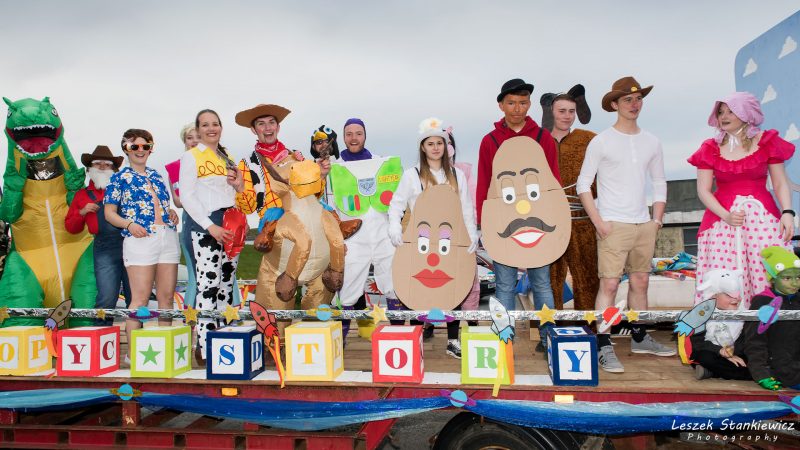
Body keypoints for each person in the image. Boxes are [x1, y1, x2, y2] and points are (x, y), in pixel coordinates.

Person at [576, 76, 674, 374]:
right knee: (608, 284)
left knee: (641, 282)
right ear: (615, 105)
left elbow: (659, 181)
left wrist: (657, 219)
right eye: (627, 99)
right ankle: (603, 343)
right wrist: (599, 222)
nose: (634, 104)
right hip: (613, 223)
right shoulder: (601, 141)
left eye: (638, 98)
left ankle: (640, 336)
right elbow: (583, 184)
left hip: (644, 223)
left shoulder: (652, 141)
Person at [688, 92, 795, 306]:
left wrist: (787, 212)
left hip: (762, 219)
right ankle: (725, 326)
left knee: (765, 271)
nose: (724, 116)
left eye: (731, 111)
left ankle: (767, 322)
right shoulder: (710, 147)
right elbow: (703, 190)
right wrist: (726, 216)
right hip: (722, 221)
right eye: (721, 112)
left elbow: (780, 183)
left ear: (746, 113)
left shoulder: (766, 142)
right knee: (724, 277)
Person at [475, 78, 560, 350]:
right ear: (501, 105)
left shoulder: (543, 138)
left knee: (542, 283)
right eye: (511, 103)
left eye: (522, 103)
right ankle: (504, 340)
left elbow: (553, 181)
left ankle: (549, 338)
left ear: (529, 104)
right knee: (504, 284)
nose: (517, 108)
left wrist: (556, 217)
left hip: (539, 223)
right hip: (504, 223)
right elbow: (484, 183)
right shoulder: (490, 141)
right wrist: (483, 223)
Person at [388, 118, 479, 358]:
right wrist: (394, 228)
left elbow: (466, 208)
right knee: (415, 290)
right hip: (421, 242)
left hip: (450, 241)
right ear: (423, 147)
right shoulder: (412, 175)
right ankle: (416, 338)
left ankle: (452, 340)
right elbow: (396, 205)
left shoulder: (457, 175)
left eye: (439, 143)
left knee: (453, 288)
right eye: (430, 143)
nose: (436, 147)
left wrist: (471, 234)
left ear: (445, 146)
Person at [103, 129, 180, 361]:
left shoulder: (156, 176)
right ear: (125, 149)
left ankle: (165, 351)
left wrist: (171, 212)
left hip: (167, 236)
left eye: (145, 146)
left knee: (167, 298)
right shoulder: (119, 178)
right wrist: (129, 224)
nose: (140, 150)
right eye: (134, 146)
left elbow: (162, 205)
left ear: (150, 149)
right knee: (139, 300)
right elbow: (109, 213)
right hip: (140, 240)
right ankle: (134, 354)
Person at [179, 110, 245, 364]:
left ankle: (225, 339)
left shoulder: (227, 157)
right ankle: (205, 346)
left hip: (230, 223)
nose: (211, 129)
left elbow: (236, 193)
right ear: (198, 129)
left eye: (215, 124)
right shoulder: (191, 156)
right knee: (208, 285)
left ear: (221, 127)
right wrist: (210, 226)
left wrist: (239, 186)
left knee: (227, 284)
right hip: (205, 225)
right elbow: (187, 196)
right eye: (205, 125)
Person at [334, 118, 398, 335]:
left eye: (358, 133)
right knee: (347, 291)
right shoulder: (334, 168)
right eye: (349, 134)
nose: (354, 138)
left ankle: (398, 336)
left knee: (393, 287)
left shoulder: (381, 164)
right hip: (353, 240)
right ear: (344, 137)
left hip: (382, 236)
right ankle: (340, 343)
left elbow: (397, 199)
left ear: (365, 136)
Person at [540, 85, 599, 311]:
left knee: (587, 278)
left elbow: (604, 174)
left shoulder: (589, 139)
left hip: (582, 219)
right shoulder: (539, 141)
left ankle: (589, 327)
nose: (567, 116)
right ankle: (549, 328)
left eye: (571, 111)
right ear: (551, 112)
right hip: (549, 222)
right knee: (549, 280)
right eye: (562, 111)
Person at [65, 145, 131, 324]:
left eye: (107, 164)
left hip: (131, 243)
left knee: (135, 298)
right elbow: (71, 228)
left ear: (114, 169)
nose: (102, 167)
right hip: (104, 248)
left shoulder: (126, 190)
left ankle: (137, 337)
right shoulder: (82, 196)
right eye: (97, 163)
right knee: (106, 298)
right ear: (89, 169)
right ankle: (102, 335)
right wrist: (82, 212)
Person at [743, 246, 800, 391]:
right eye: (787, 278)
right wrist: (761, 374)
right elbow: (755, 341)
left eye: (798, 277)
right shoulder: (763, 302)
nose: (795, 283)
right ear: (773, 278)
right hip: (779, 369)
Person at [165, 124, 202, 309]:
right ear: (184, 141)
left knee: (226, 274)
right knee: (195, 274)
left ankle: (229, 318)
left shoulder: (217, 162)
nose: (194, 141)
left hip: (219, 221)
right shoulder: (176, 167)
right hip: (192, 222)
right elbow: (179, 202)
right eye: (190, 137)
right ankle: (191, 320)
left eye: (198, 137)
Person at [690, 269, 750, 381]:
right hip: (711, 351)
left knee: (752, 356)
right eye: (728, 295)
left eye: (737, 295)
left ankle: (711, 372)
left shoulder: (744, 314)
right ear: (713, 297)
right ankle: (748, 375)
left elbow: (744, 340)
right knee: (705, 357)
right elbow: (697, 344)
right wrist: (720, 351)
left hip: (736, 353)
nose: (736, 299)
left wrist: (733, 354)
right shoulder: (702, 314)